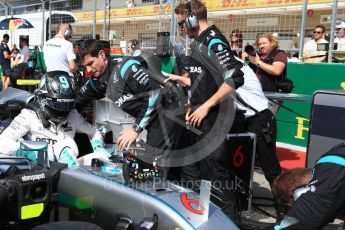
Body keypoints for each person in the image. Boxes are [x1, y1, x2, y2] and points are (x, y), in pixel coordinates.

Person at [174, 0, 281, 218]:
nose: (181, 29)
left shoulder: (214, 41)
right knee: (199, 174)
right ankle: (203, 218)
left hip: (215, 121)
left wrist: (206, 106)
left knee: (217, 178)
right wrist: (192, 104)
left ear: (193, 19)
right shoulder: (199, 43)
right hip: (200, 120)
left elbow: (235, 76)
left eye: (182, 24)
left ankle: (230, 222)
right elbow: (201, 81)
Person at [76, 39, 183, 177]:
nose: (88, 70)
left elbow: (155, 93)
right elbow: (78, 99)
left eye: (90, 64)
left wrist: (135, 129)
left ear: (102, 55)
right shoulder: (97, 81)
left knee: (155, 173)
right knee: (174, 172)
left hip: (167, 113)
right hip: (156, 121)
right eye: (85, 67)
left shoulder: (124, 67)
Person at [0, 71, 107, 167]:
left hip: (68, 170)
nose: (62, 111)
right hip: (36, 171)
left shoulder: (73, 115)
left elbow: (94, 132)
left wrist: (98, 146)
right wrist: (26, 151)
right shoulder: (29, 115)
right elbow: (2, 143)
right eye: (58, 105)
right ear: (42, 99)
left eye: (66, 105)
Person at [273, 142, 345, 229]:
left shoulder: (330, 181)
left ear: (300, 194)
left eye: (297, 207)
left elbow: (294, 226)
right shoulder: (333, 159)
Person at [243, 33, 288, 114]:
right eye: (259, 44)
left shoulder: (279, 54)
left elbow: (277, 71)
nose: (261, 46)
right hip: (256, 94)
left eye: (264, 43)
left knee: (266, 120)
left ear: (272, 43)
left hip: (272, 95)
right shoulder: (257, 56)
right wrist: (244, 58)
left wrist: (258, 63)